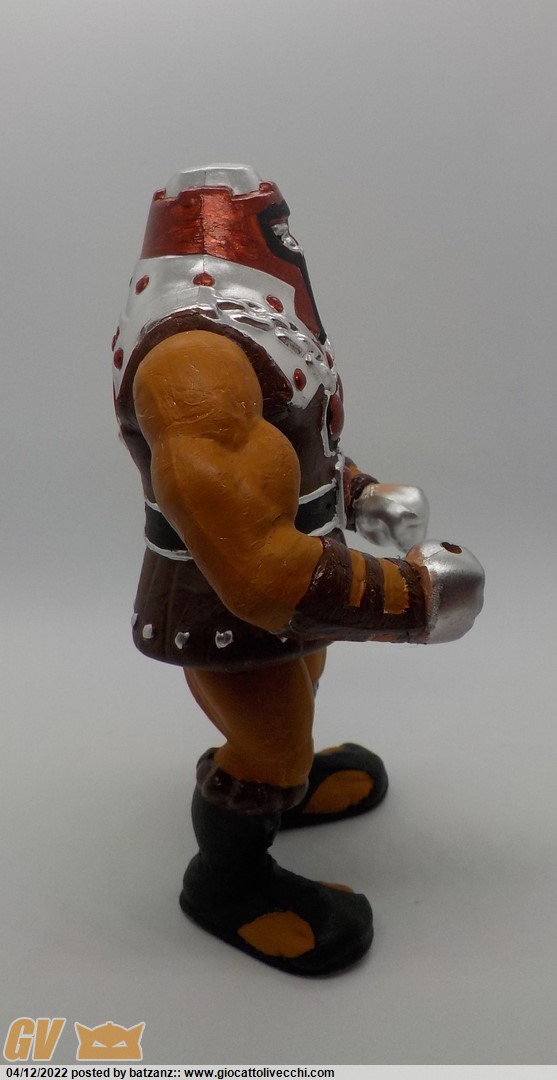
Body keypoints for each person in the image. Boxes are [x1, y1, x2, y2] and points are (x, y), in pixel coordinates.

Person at [113, 165, 484, 975]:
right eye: (278, 235)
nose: (294, 253)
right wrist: (414, 600)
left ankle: (292, 778)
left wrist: (359, 494)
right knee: (267, 744)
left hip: (292, 581)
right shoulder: (195, 365)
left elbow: (289, 457)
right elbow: (255, 569)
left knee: (300, 690)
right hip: (227, 604)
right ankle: (227, 880)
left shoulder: (254, 339)